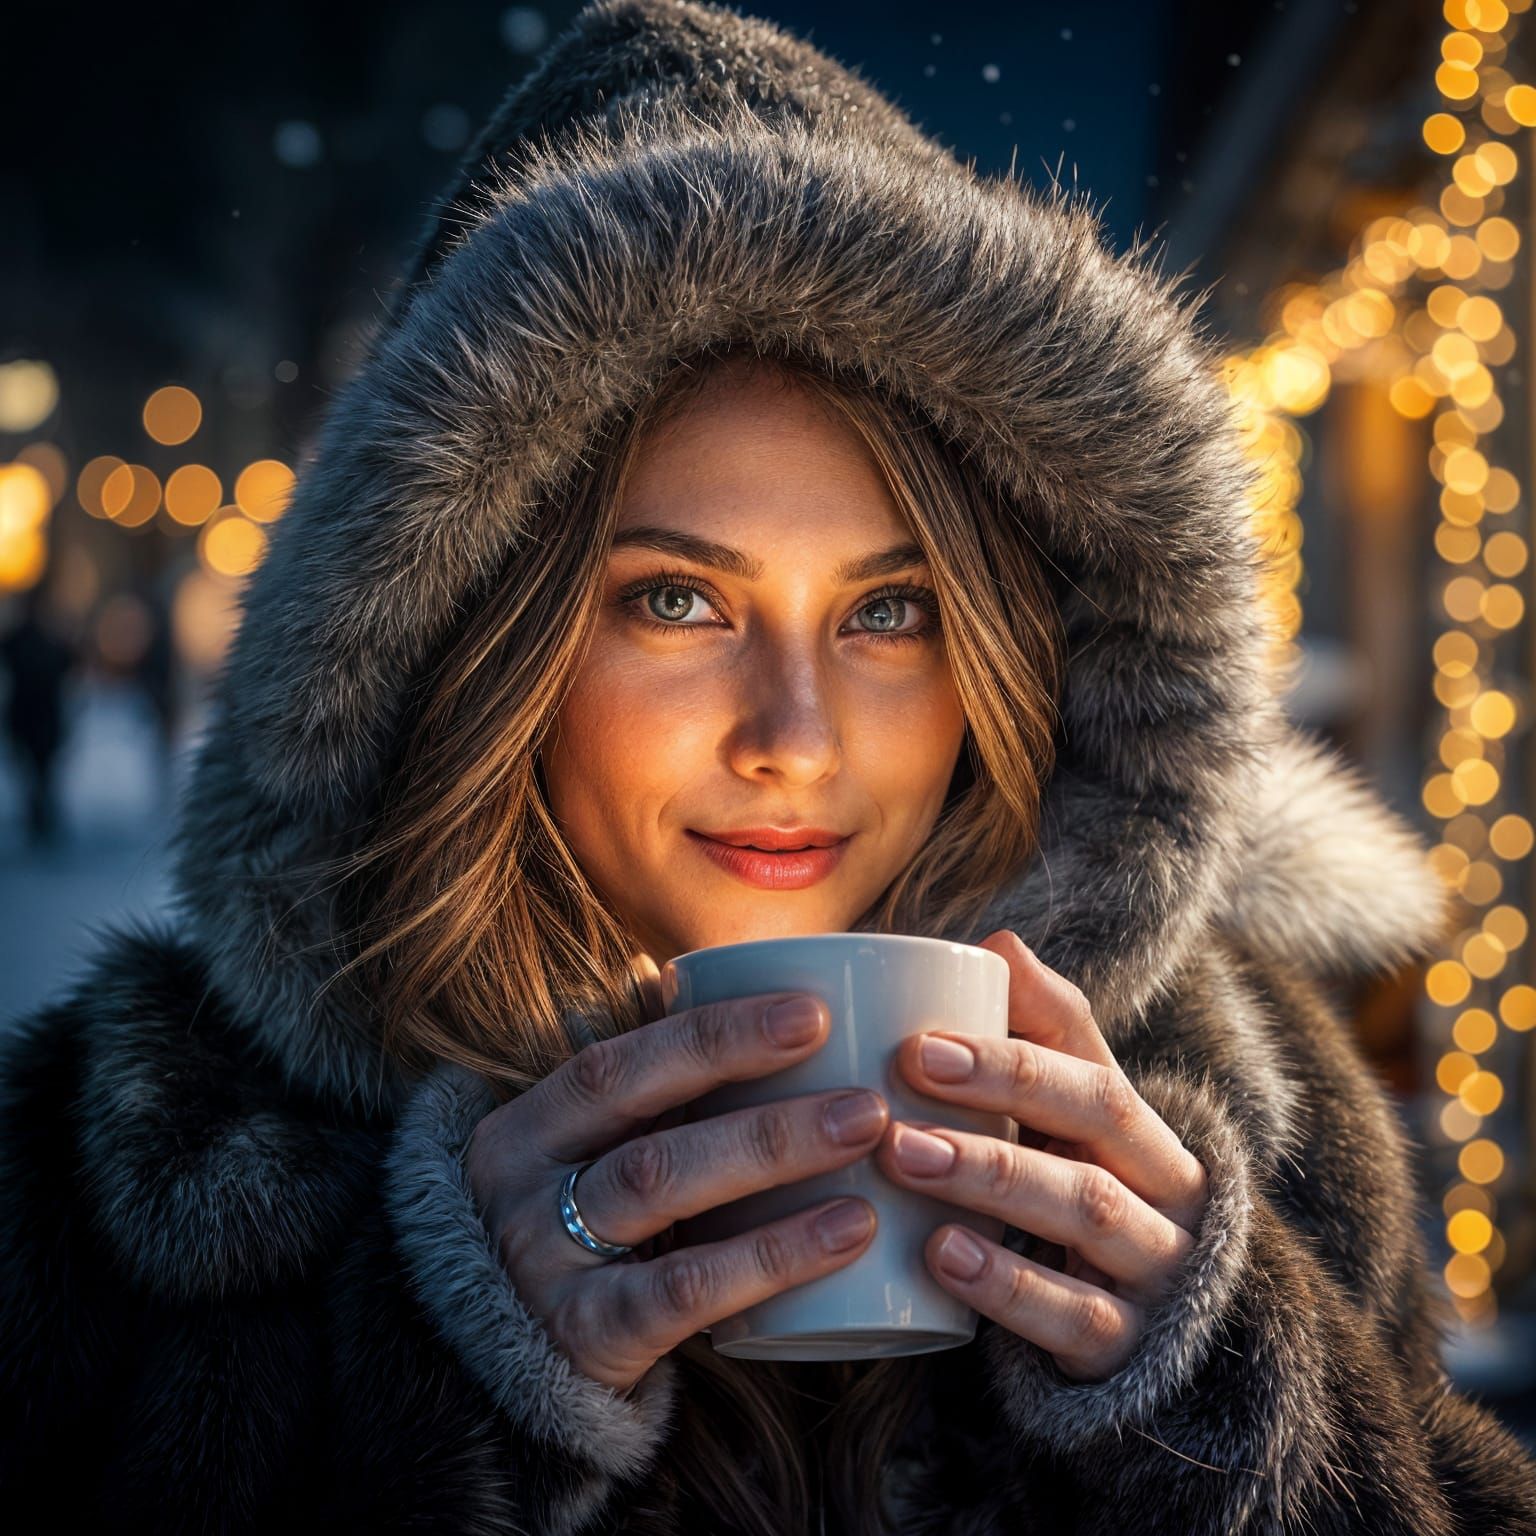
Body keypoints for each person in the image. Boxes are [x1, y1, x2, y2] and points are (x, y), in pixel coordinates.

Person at [2, 2, 1534, 1532]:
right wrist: (431, 1409)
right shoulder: (134, 1192)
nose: (795, 739)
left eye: (891, 613)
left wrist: (1239, 1419)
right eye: (677, 601)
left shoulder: (1234, 1128)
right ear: (469, 650)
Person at [0, 579, 77, 847]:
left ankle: (40, 818)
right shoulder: (40, 639)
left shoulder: (28, 638)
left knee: (39, 773)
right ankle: (41, 818)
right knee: (39, 773)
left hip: (35, 716)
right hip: (37, 716)